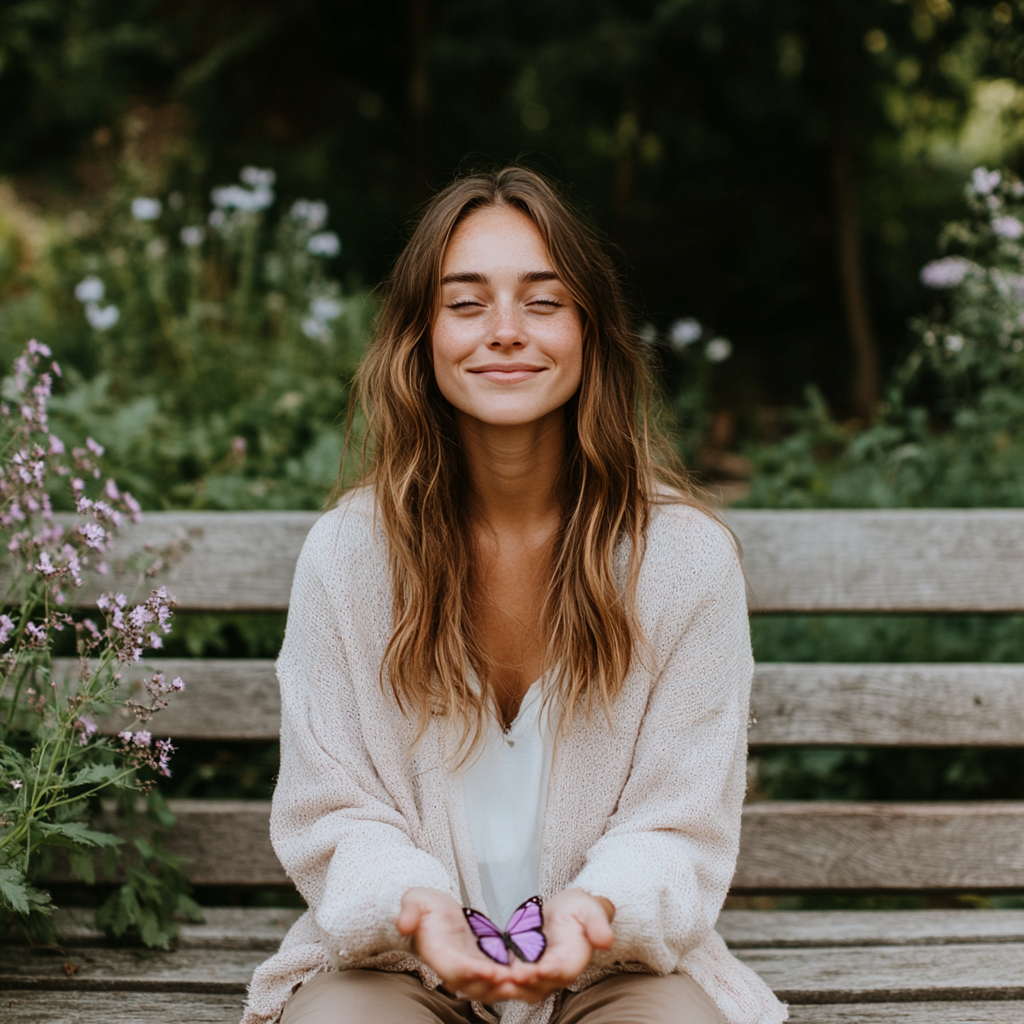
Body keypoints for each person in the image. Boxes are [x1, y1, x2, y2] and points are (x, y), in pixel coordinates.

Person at [242, 167, 786, 1024]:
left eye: (542, 302)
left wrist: (592, 911)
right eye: (465, 304)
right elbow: (331, 809)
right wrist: (419, 911)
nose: (504, 332)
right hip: (401, 965)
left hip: (611, 964)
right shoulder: (348, 557)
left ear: (591, 333)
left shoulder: (685, 560)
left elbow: (679, 823)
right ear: (419, 338)